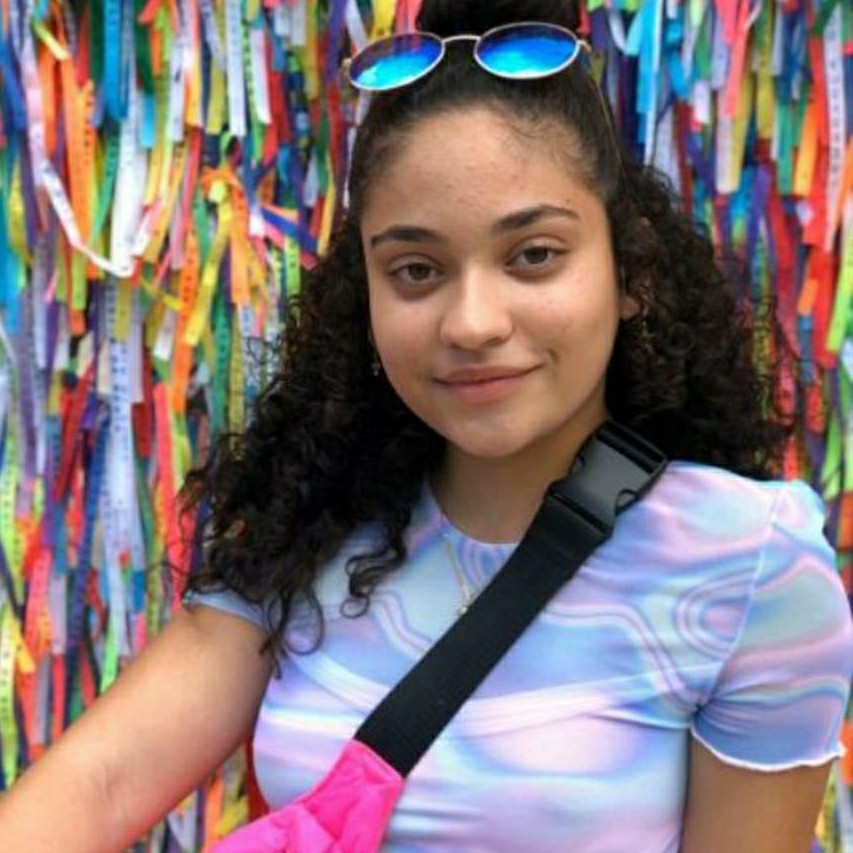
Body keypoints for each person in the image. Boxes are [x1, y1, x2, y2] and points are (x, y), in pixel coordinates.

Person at [1, 0, 851, 850]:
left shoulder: (750, 566)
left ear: (631, 274)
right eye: (416, 270)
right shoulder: (310, 525)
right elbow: (100, 782)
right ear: (363, 294)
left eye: (533, 255)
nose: (472, 322)